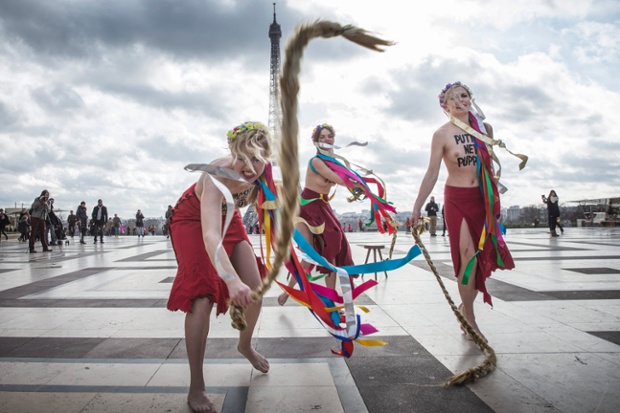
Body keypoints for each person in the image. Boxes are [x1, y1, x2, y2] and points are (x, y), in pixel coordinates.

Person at [166, 121, 272, 413]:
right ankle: (196, 385)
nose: (248, 167)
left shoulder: (268, 174)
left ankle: (245, 345)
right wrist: (229, 279)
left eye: (256, 159)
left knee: (255, 289)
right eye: (241, 158)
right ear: (231, 152)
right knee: (201, 297)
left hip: (230, 218)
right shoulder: (216, 175)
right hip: (192, 219)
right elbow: (210, 234)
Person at [411, 82, 515, 341]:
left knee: (479, 258)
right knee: (466, 256)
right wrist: (416, 206)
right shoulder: (442, 134)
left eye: (464, 95)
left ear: (471, 99)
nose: (459, 101)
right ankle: (470, 319)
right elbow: (432, 172)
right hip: (457, 198)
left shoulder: (484, 129)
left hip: (481, 200)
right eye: (452, 98)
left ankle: (465, 308)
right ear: (445, 106)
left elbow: (489, 167)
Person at [277, 123, 360, 306]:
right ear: (316, 141)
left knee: (332, 249)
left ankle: (329, 301)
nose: (326, 139)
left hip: (323, 207)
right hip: (307, 207)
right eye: (322, 137)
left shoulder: (334, 163)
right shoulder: (316, 161)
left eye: (329, 136)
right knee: (310, 254)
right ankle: (288, 291)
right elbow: (341, 180)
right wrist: (360, 183)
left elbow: (344, 178)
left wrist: (355, 180)